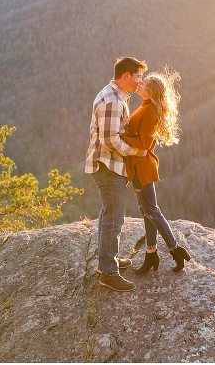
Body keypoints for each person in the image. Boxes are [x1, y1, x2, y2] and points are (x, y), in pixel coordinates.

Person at [86, 57, 149, 292]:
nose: (139, 81)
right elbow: (110, 139)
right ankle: (109, 273)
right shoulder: (112, 100)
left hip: (107, 164)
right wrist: (136, 151)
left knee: (108, 214)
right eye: (138, 76)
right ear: (126, 76)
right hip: (108, 165)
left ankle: (107, 262)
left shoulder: (114, 95)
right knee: (114, 218)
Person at [122, 67, 192, 273]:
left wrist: (119, 136)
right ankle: (151, 254)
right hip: (137, 166)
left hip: (142, 167)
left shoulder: (151, 110)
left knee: (152, 210)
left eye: (144, 83)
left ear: (150, 92)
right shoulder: (145, 106)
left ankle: (175, 249)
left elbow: (143, 144)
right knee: (147, 212)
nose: (140, 83)